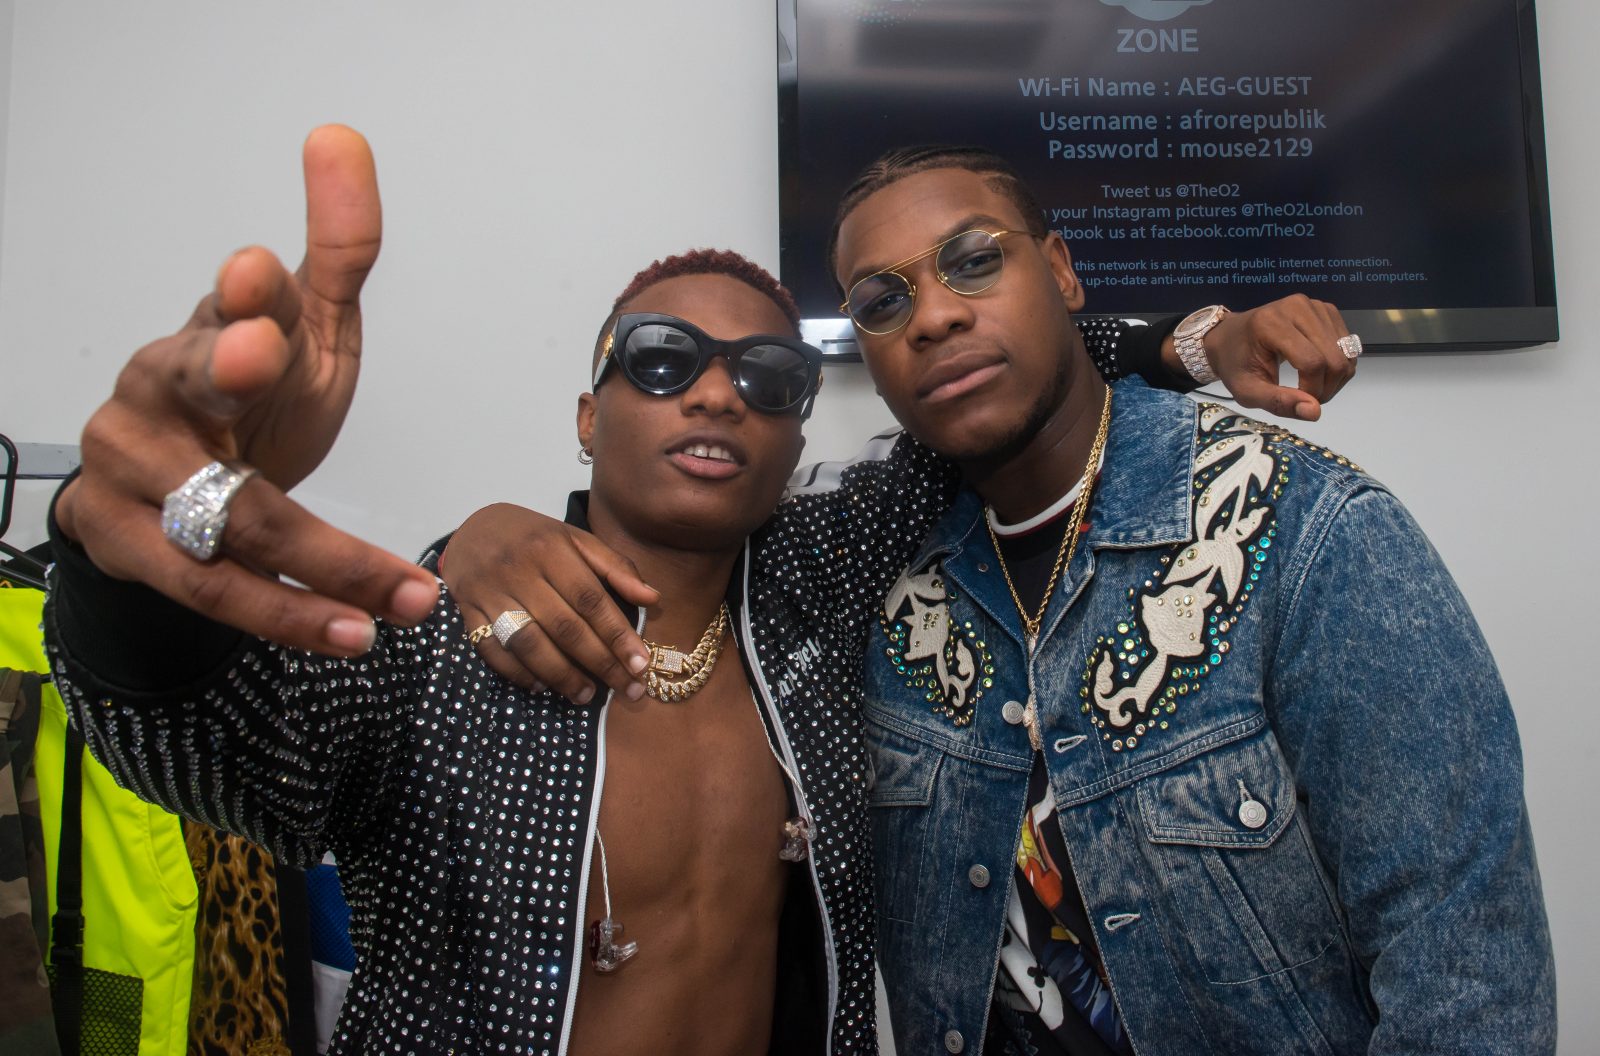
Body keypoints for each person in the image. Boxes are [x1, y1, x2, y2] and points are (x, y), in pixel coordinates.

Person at [38, 127, 1344, 1053]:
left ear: (789, 441)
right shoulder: (448, 637)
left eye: (769, 378)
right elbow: (200, 746)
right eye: (663, 361)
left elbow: (987, 392)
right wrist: (131, 558)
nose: (719, 390)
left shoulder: (817, 613)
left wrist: (1190, 342)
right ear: (586, 414)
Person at [445, 146, 1555, 1055]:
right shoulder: (870, 573)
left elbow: (1466, 971)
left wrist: (1191, 340)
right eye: (884, 302)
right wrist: (465, 544)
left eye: (974, 263)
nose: (931, 317)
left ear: (1063, 274)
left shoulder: (1301, 533)